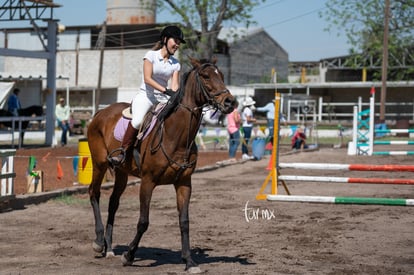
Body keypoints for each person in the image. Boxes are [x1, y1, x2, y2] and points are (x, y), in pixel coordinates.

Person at [109, 25, 186, 166]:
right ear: (165, 39)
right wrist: (165, 89)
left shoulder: (176, 64)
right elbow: (148, 78)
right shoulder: (150, 56)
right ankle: (123, 152)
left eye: (179, 42)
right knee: (138, 121)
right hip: (146, 95)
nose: (177, 45)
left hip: (164, 98)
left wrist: (175, 93)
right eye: (175, 41)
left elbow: (175, 85)